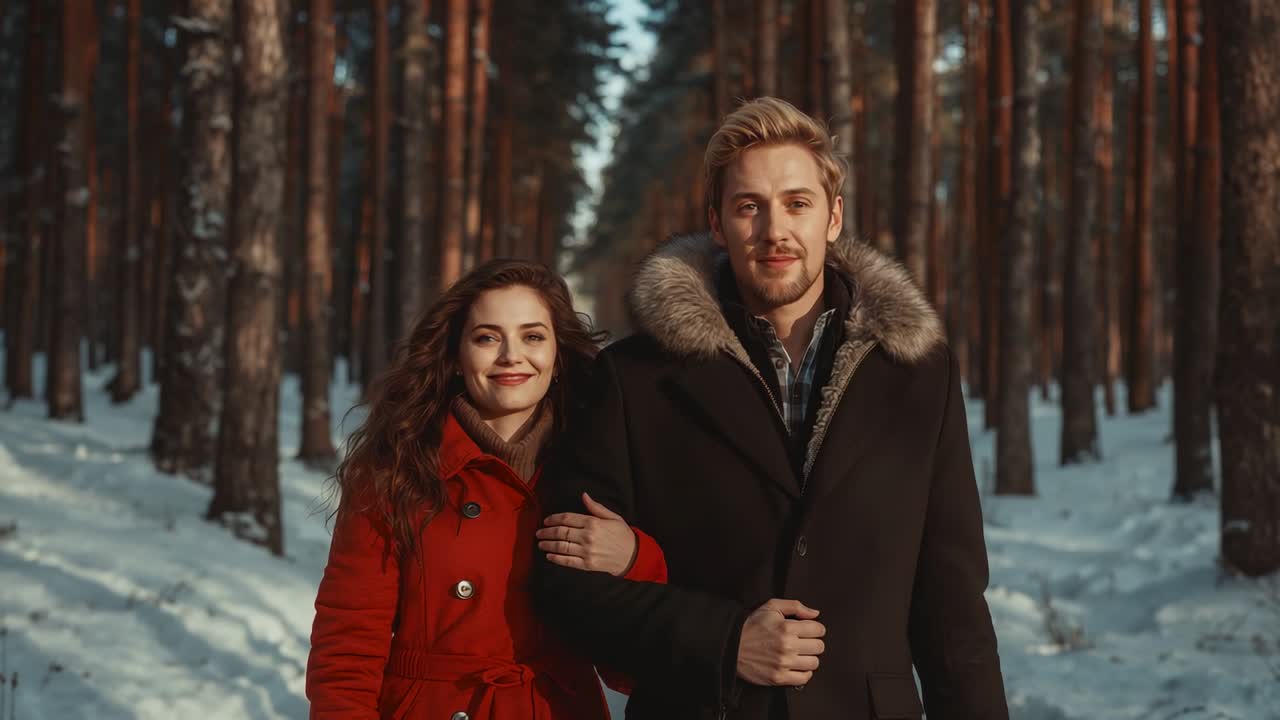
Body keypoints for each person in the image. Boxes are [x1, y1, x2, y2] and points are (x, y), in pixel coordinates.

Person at [533, 97, 1009, 719]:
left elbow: (952, 604)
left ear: (833, 218)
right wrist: (724, 639)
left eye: (797, 203)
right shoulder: (635, 379)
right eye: (748, 206)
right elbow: (569, 588)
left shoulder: (917, 373)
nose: (774, 230)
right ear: (716, 222)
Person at [306, 260, 668, 720]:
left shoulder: (600, 469)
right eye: (487, 337)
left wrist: (634, 557)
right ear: (457, 357)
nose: (511, 355)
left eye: (533, 336)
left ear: (558, 357)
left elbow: (633, 670)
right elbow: (348, 642)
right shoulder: (396, 467)